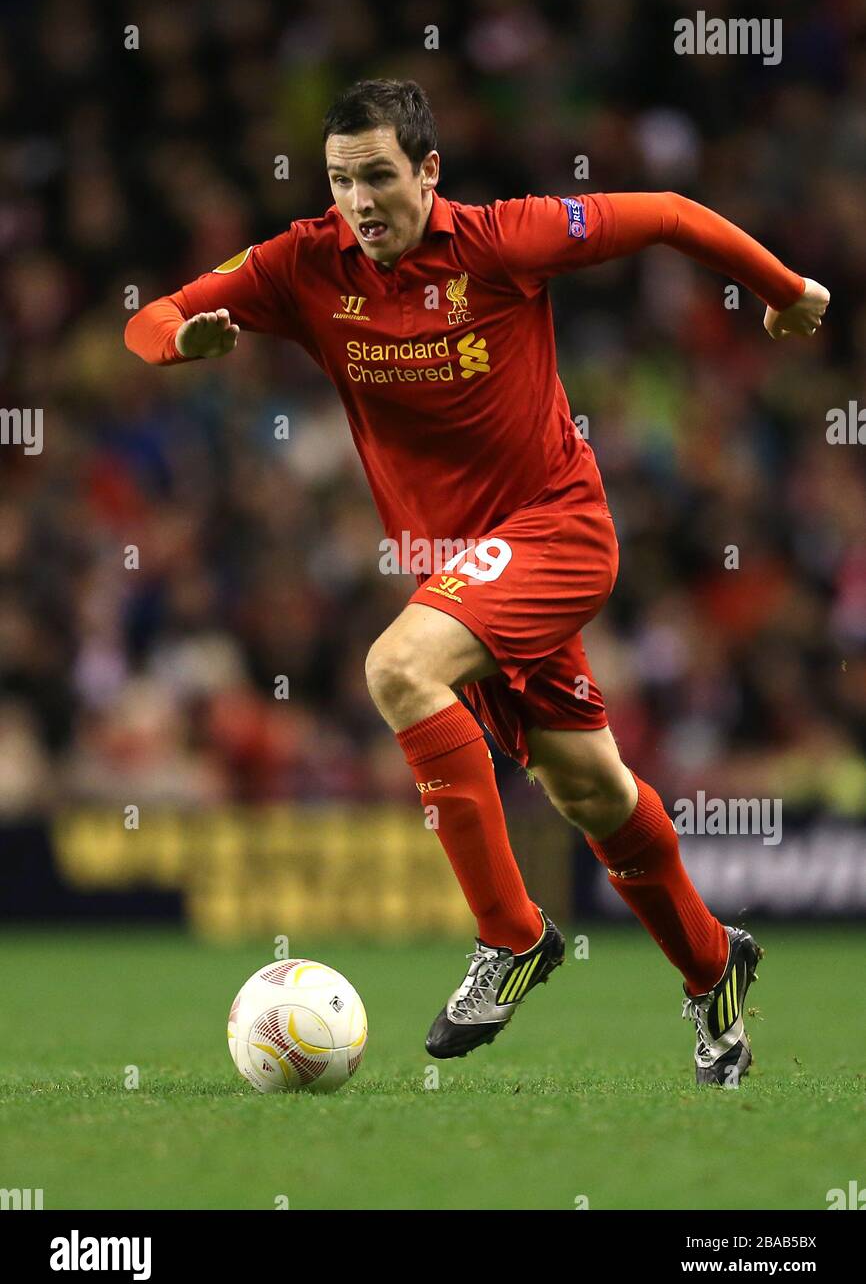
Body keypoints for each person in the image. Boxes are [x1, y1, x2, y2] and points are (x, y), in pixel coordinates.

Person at [126, 78, 829, 1085]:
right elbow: (150, 318)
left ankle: (510, 934)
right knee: (588, 790)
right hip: (462, 575)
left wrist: (780, 288)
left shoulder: (503, 241)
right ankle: (714, 968)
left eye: (377, 176)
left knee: (398, 669)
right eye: (339, 181)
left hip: (554, 532)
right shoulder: (301, 263)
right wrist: (180, 340)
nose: (359, 201)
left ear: (427, 171)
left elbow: (666, 214)